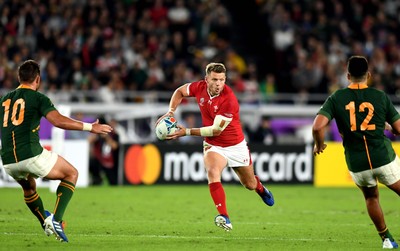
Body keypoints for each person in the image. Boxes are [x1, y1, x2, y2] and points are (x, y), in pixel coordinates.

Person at [0, 60, 113, 242]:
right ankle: (57, 220)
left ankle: (45, 222)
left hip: (8, 161)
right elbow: (58, 121)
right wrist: (89, 127)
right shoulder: (38, 98)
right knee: (71, 174)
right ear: (38, 79)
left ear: (18, 77)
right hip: (30, 154)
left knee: (29, 187)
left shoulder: (4, 100)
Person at [156, 62, 274, 231]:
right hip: (214, 146)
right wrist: (171, 111)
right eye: (215, 80)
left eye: (222, 80)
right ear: (207, 79)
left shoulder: (229, 99)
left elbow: (215, 130)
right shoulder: (199, 87)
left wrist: (186, 132)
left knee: (249, 184)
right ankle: (224, 217)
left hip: (235, 145)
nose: (219, 84)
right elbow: (180, 91)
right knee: (212, 172)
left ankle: (261, 189)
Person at [312, 55, 400, 249]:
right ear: (368, 75)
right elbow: (399, 128)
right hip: (382, 157)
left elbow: (318, 127)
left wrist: (319, 145)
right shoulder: (380, 96)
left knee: (371, 197)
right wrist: (390, 128)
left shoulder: (336, 98)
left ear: (348, 75)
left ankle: (386, 239)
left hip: (357, 162)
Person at [88, 117, 120, 185]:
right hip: (99, 160)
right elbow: (88, 141)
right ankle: (97, 180)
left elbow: (115, 146)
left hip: (111, 162)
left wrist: (107, 137)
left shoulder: (115, 135)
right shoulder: (98, 135)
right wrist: (95, 133)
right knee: (92, 164)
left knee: (113, 181)